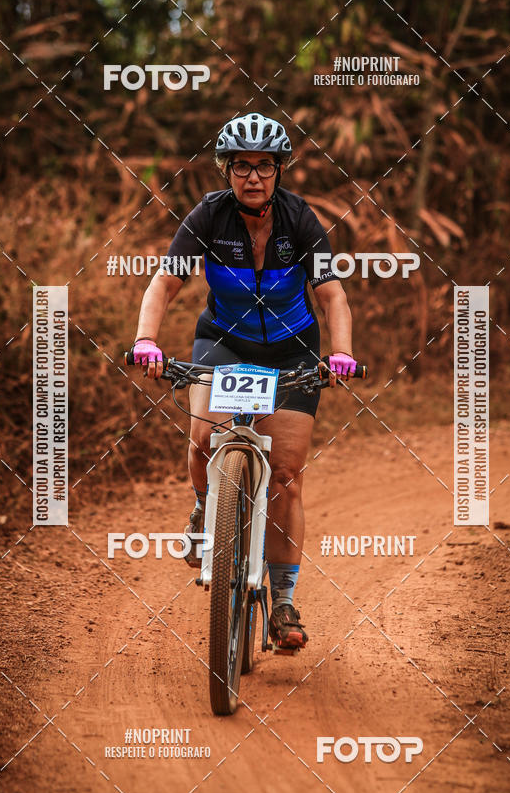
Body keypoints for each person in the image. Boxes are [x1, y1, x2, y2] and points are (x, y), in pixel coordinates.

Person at [132, 112, 357, 650]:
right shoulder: (208, 217)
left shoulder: (301, 220)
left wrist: (342, 353)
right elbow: (165, 284)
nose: (252, 177)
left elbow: (331, 296)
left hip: (291, 350)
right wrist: (146, 341)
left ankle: (282, 602)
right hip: (224, 343)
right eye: (241, 167)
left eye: (263, 166)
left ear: (279, 170)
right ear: (226, 171)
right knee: (205, 438)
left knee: (285, 476)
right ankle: (206, 507)